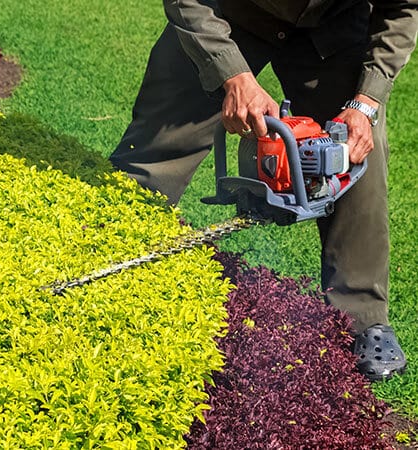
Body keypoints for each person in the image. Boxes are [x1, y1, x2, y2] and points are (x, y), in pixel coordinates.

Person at [109, 0, 418, 381]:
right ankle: (112, 252)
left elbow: (402, 7)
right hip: (226, 12)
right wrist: (231, 73)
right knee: (156, 148)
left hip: (331, 26)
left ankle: (365, 317)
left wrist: (366, 100)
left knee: (352, 150)